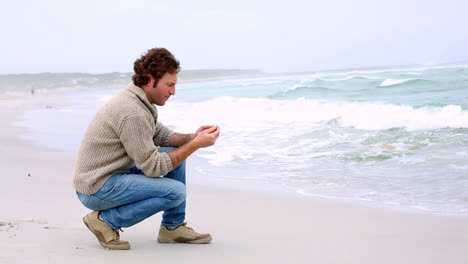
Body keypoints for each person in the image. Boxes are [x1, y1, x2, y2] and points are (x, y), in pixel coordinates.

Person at [73, 48, 220, 250]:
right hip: (96, 187)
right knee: (175, 192)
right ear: (150, 79)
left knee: (173, 152)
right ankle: (106, 221)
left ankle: (172, 227)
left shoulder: (139, 100)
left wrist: (191, 137)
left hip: (111, 174)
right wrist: (195, 146)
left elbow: (162, 136)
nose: (173, 92)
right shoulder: (132, 112)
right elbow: (153, 167)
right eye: (169, 85)